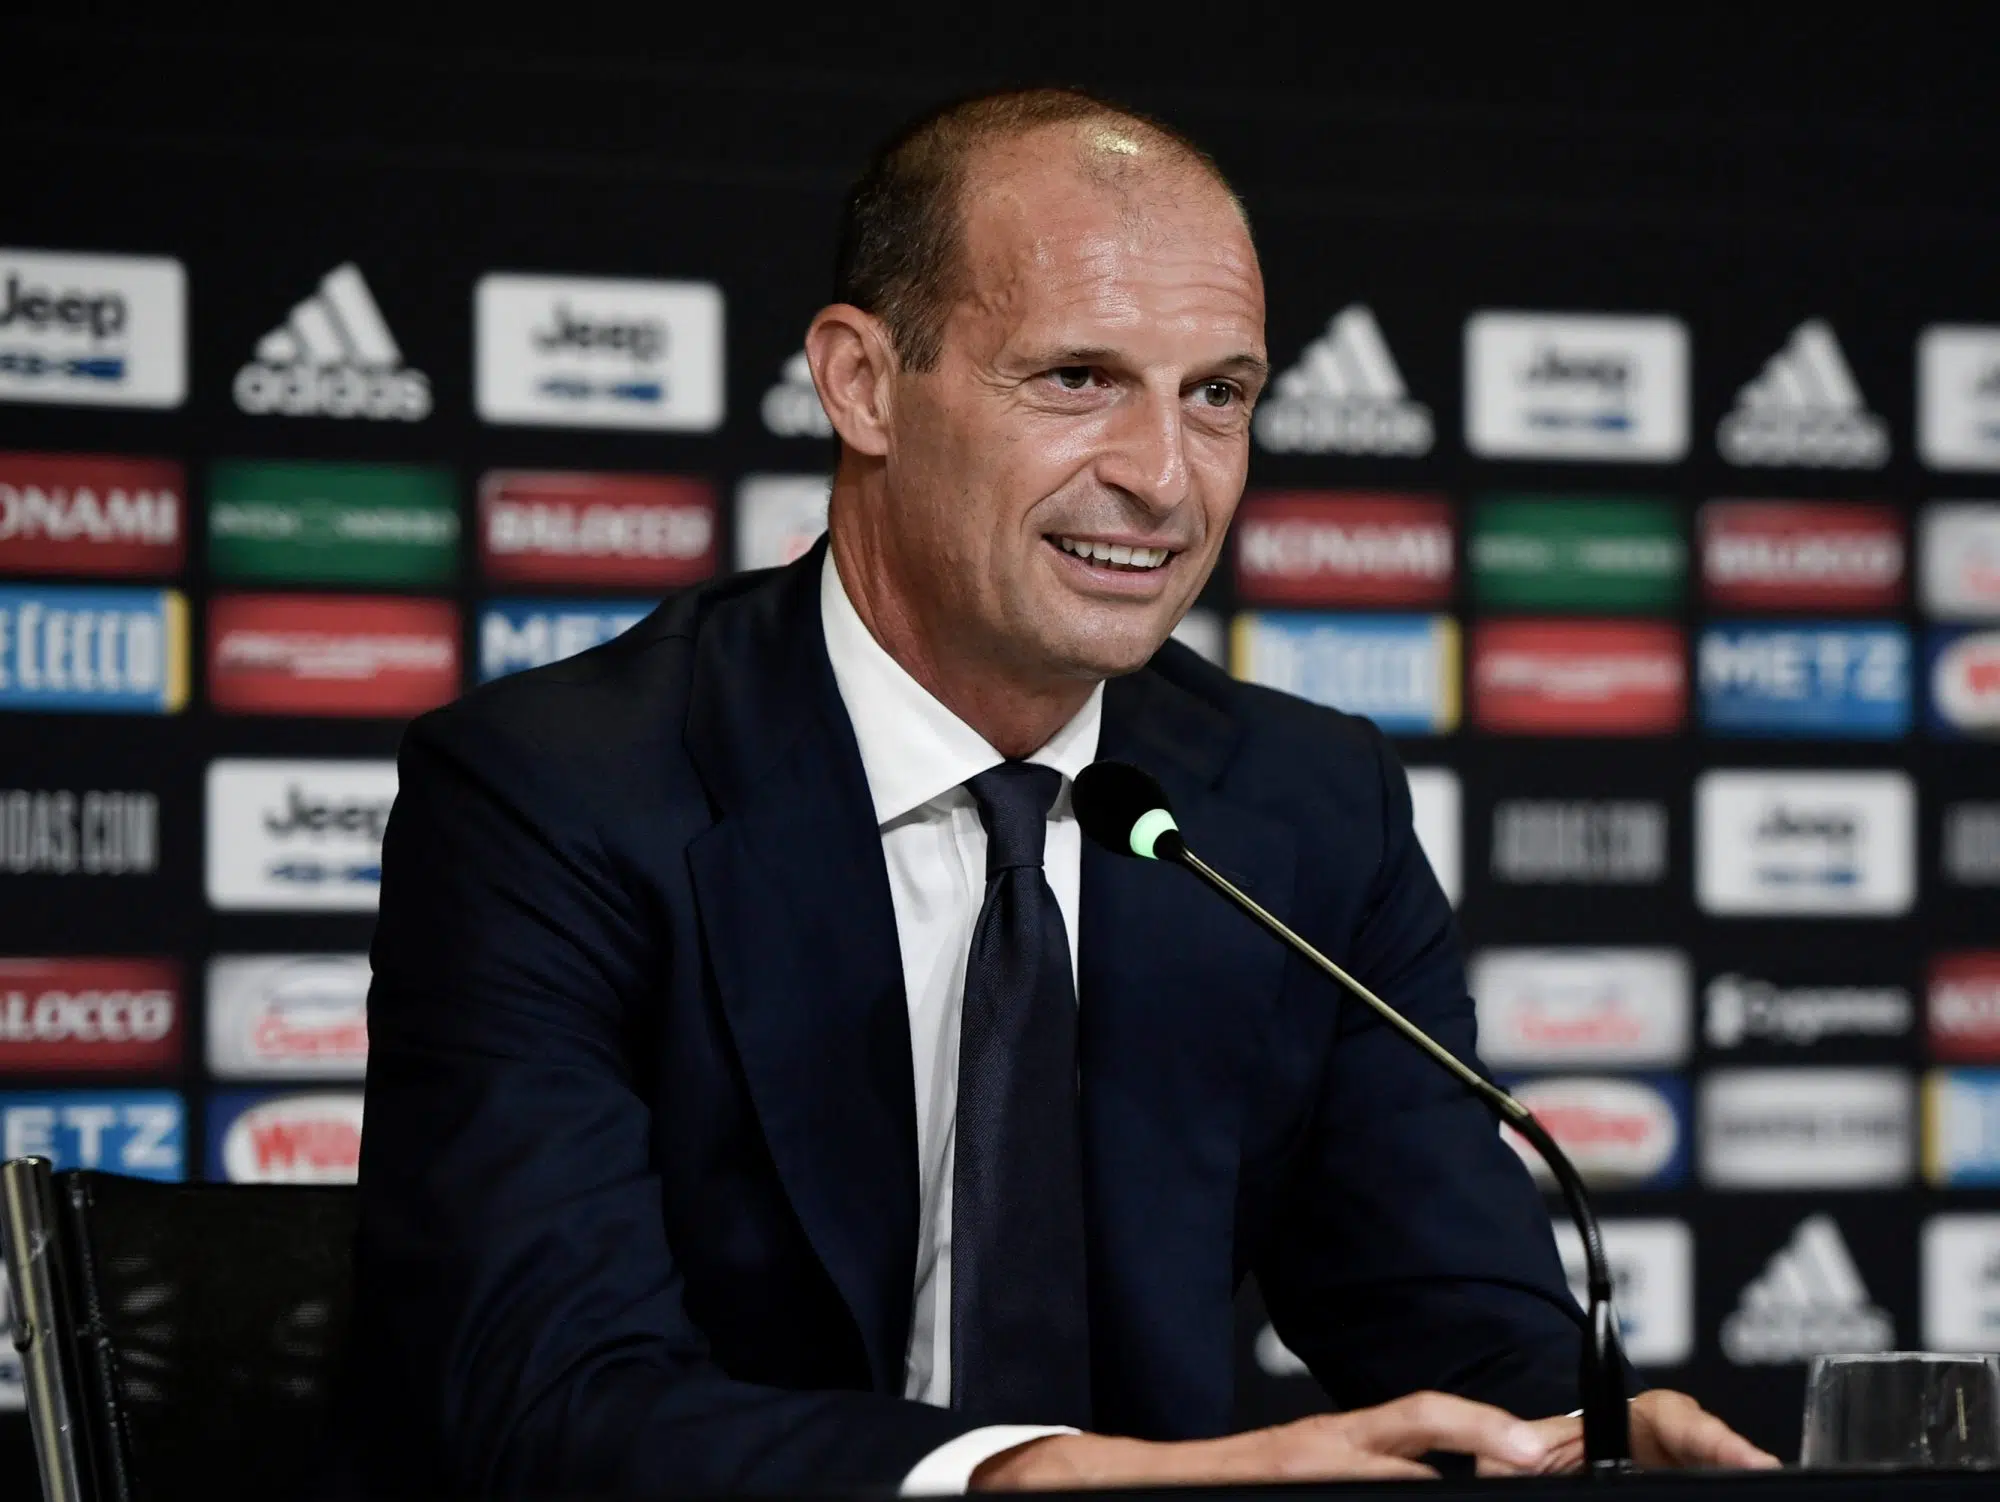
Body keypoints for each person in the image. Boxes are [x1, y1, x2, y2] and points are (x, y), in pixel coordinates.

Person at [352, 88, 1778, 1494]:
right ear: (862, 384)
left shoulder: (1304, 804)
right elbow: (545, 1394)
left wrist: (1580, 1437)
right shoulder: (561, 792)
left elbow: (1456, 1329)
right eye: (1078, 379)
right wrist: (1015, 1479)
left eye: (1217, 395)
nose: (1164, 479)